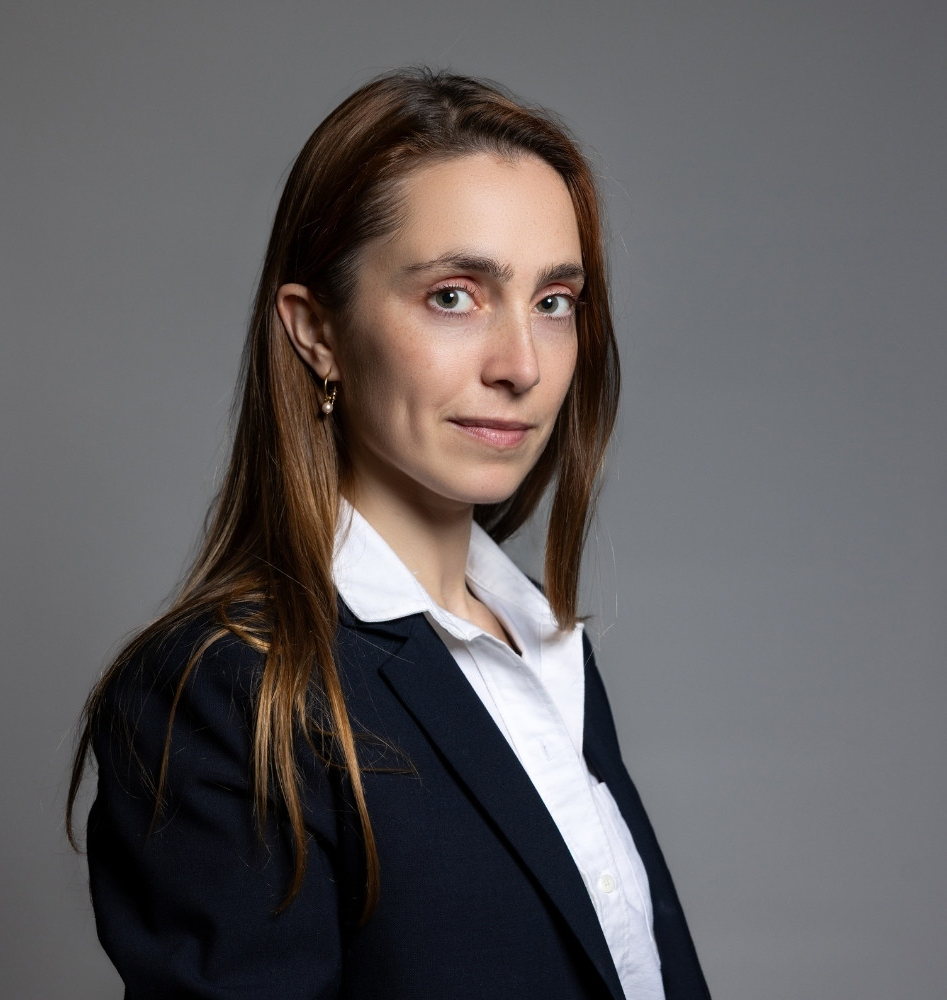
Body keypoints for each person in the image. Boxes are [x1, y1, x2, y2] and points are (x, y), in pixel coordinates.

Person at [68, 68, 711, 1000]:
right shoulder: (225, 696)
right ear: (316, 332)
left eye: (554, 302)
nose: (522, 366)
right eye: (454, 295)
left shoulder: (539, 643)